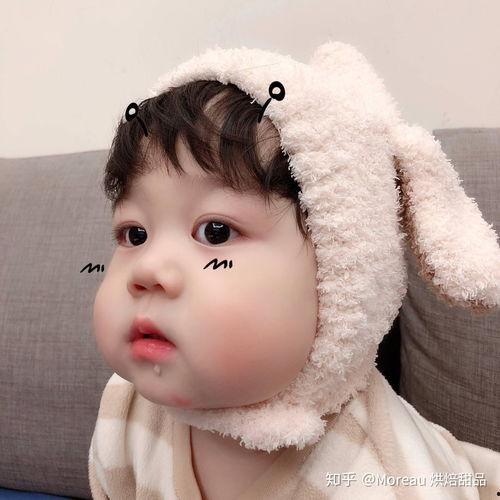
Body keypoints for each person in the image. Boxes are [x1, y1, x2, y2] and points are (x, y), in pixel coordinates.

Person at [88, 41, 500, 499]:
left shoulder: (381, 480)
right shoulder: (126, 410)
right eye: (135, 234)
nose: (147, 270)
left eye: (216, 232)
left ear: (340, 282)